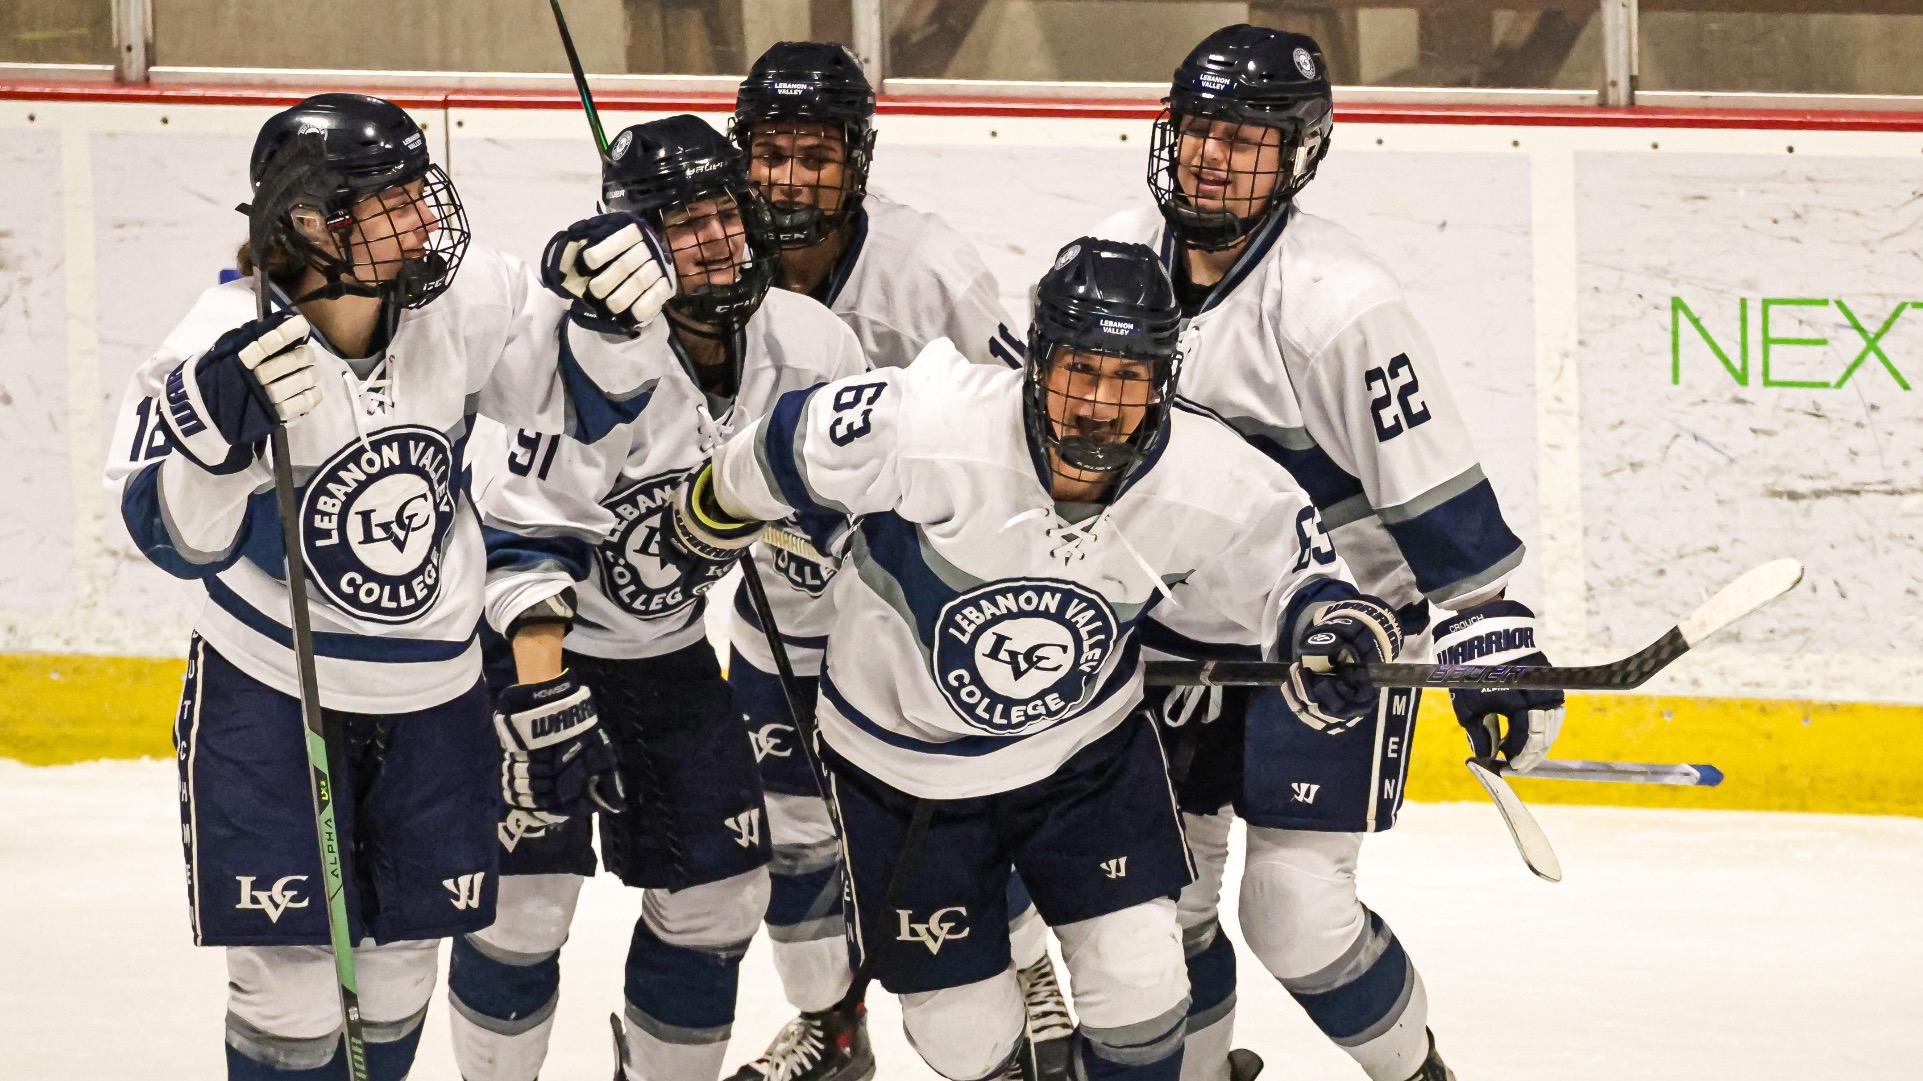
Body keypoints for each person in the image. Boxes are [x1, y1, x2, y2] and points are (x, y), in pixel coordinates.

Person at [669, 237, 1409, 1081]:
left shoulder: (1208, 474)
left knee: (1139, 977)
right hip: (900, 771)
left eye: (1128, 379)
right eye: (1080, 372)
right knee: (962, 1036)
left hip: (1083, 756)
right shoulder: (933, 420)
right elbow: (779, 446)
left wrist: (1329, 626)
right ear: (1037, 362)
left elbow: (1298, 578)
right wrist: (704, 513)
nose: (1099, 403)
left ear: (1163, 382)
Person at [104, 92, 672, 1081]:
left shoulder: (464, 300)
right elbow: (168, 534)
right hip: (273, 695)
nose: (427, 216)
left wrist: (613, 318)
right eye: (396, 198)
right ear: (315, 222)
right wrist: (222, 434)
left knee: (401, 965)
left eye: (420, 189)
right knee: (290, 985)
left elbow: (576, 404)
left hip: (436, 697)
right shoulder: (212, 338)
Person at [1096, 25, 1566, 1081]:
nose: (1213, 155)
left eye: (1247, 138)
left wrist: (1489, 642)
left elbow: (1435, 495)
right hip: (1171, 635)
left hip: (1329, 638)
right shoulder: (1113, 265)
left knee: (1295, 916)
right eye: (1199, 128)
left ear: (1298, 155)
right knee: (1156, 908)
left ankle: (1416, 1074)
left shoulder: (1340, 305)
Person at [444, 114, 868, 1081]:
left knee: (720, 899)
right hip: (525, 651)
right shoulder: (563, 348)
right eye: (679, 224)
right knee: (524, 907)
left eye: (724, 212)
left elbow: (855, 502)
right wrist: (537, 697)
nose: (713, 238)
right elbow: (520, 532)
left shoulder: (812, 343)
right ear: (632, 242)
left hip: (667, 653)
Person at [723, 40, 1072, 1081]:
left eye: (813, 155)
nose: (789, 178)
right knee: (793, 841)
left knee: (959, 822)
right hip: (776, 620)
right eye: (770, 154)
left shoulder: (927, 270)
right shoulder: (708, 261)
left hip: (915, 622)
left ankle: (1032, 987)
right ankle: (830, 1028)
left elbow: (1017, 435)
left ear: (858, 161)